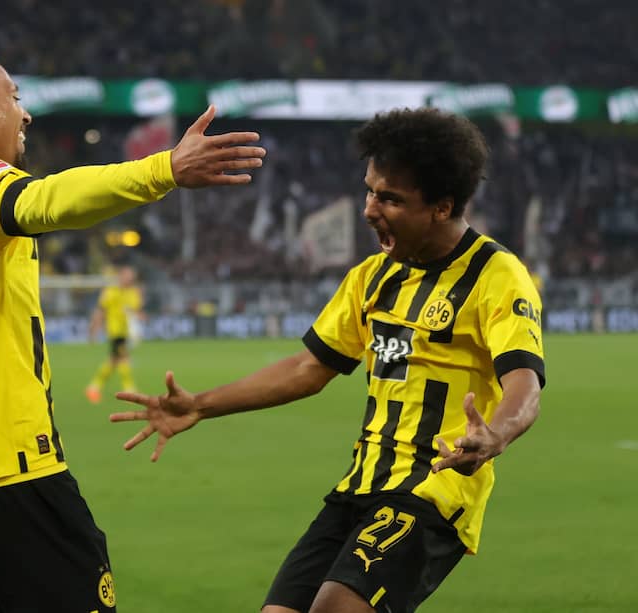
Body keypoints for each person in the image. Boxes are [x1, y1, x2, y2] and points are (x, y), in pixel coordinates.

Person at [111, 108, 545, 613]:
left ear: (441, 208)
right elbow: (308, 368)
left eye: (390, 199)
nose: (369, 209)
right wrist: (202, 405)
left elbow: (523, 381)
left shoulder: (497, 275)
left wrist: (496, 433)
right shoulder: (372, 277)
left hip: (432, 491)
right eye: (370, 190)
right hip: (359, 486)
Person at [0, 52, 265, 613]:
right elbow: (41, 200)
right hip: (2, 466)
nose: (25, 113)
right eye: (14, 97)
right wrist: (164, 170)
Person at [85, 265, 144, 403]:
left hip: (125, 332)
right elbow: (100, 311)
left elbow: (136, 311)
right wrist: (94, 329)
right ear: (120, 276)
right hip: (115, 331)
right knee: (123, 358)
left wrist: (138, 324)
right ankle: (129, 389)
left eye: (131, 276)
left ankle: (94, 387)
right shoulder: (111, 292)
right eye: (127, 276)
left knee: (113, 361)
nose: (130, 279)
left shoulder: (133, 292)